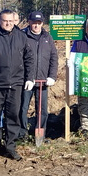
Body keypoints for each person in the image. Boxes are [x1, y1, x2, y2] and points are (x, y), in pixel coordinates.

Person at [0, 10, 36, 159]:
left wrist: (30, 78)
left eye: (11, 21)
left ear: (14, 21)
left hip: (16, 84)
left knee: (13, 116)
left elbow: (29, 59)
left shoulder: (21, 37)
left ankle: (10, 146)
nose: (8, 24)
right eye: (5, 21)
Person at [21, 11, 58, 141]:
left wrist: (52, 76)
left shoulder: (47, 38)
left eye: (39, 23)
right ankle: (22, 133)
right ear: (29, 22)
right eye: (33, 23)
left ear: (42, 23)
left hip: (43, 80)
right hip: (27, 80)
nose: (36, 25)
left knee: (42, 109)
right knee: (23, 107)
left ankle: (40, 134)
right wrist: (27, 78)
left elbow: (54, 57)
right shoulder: (23, 36)